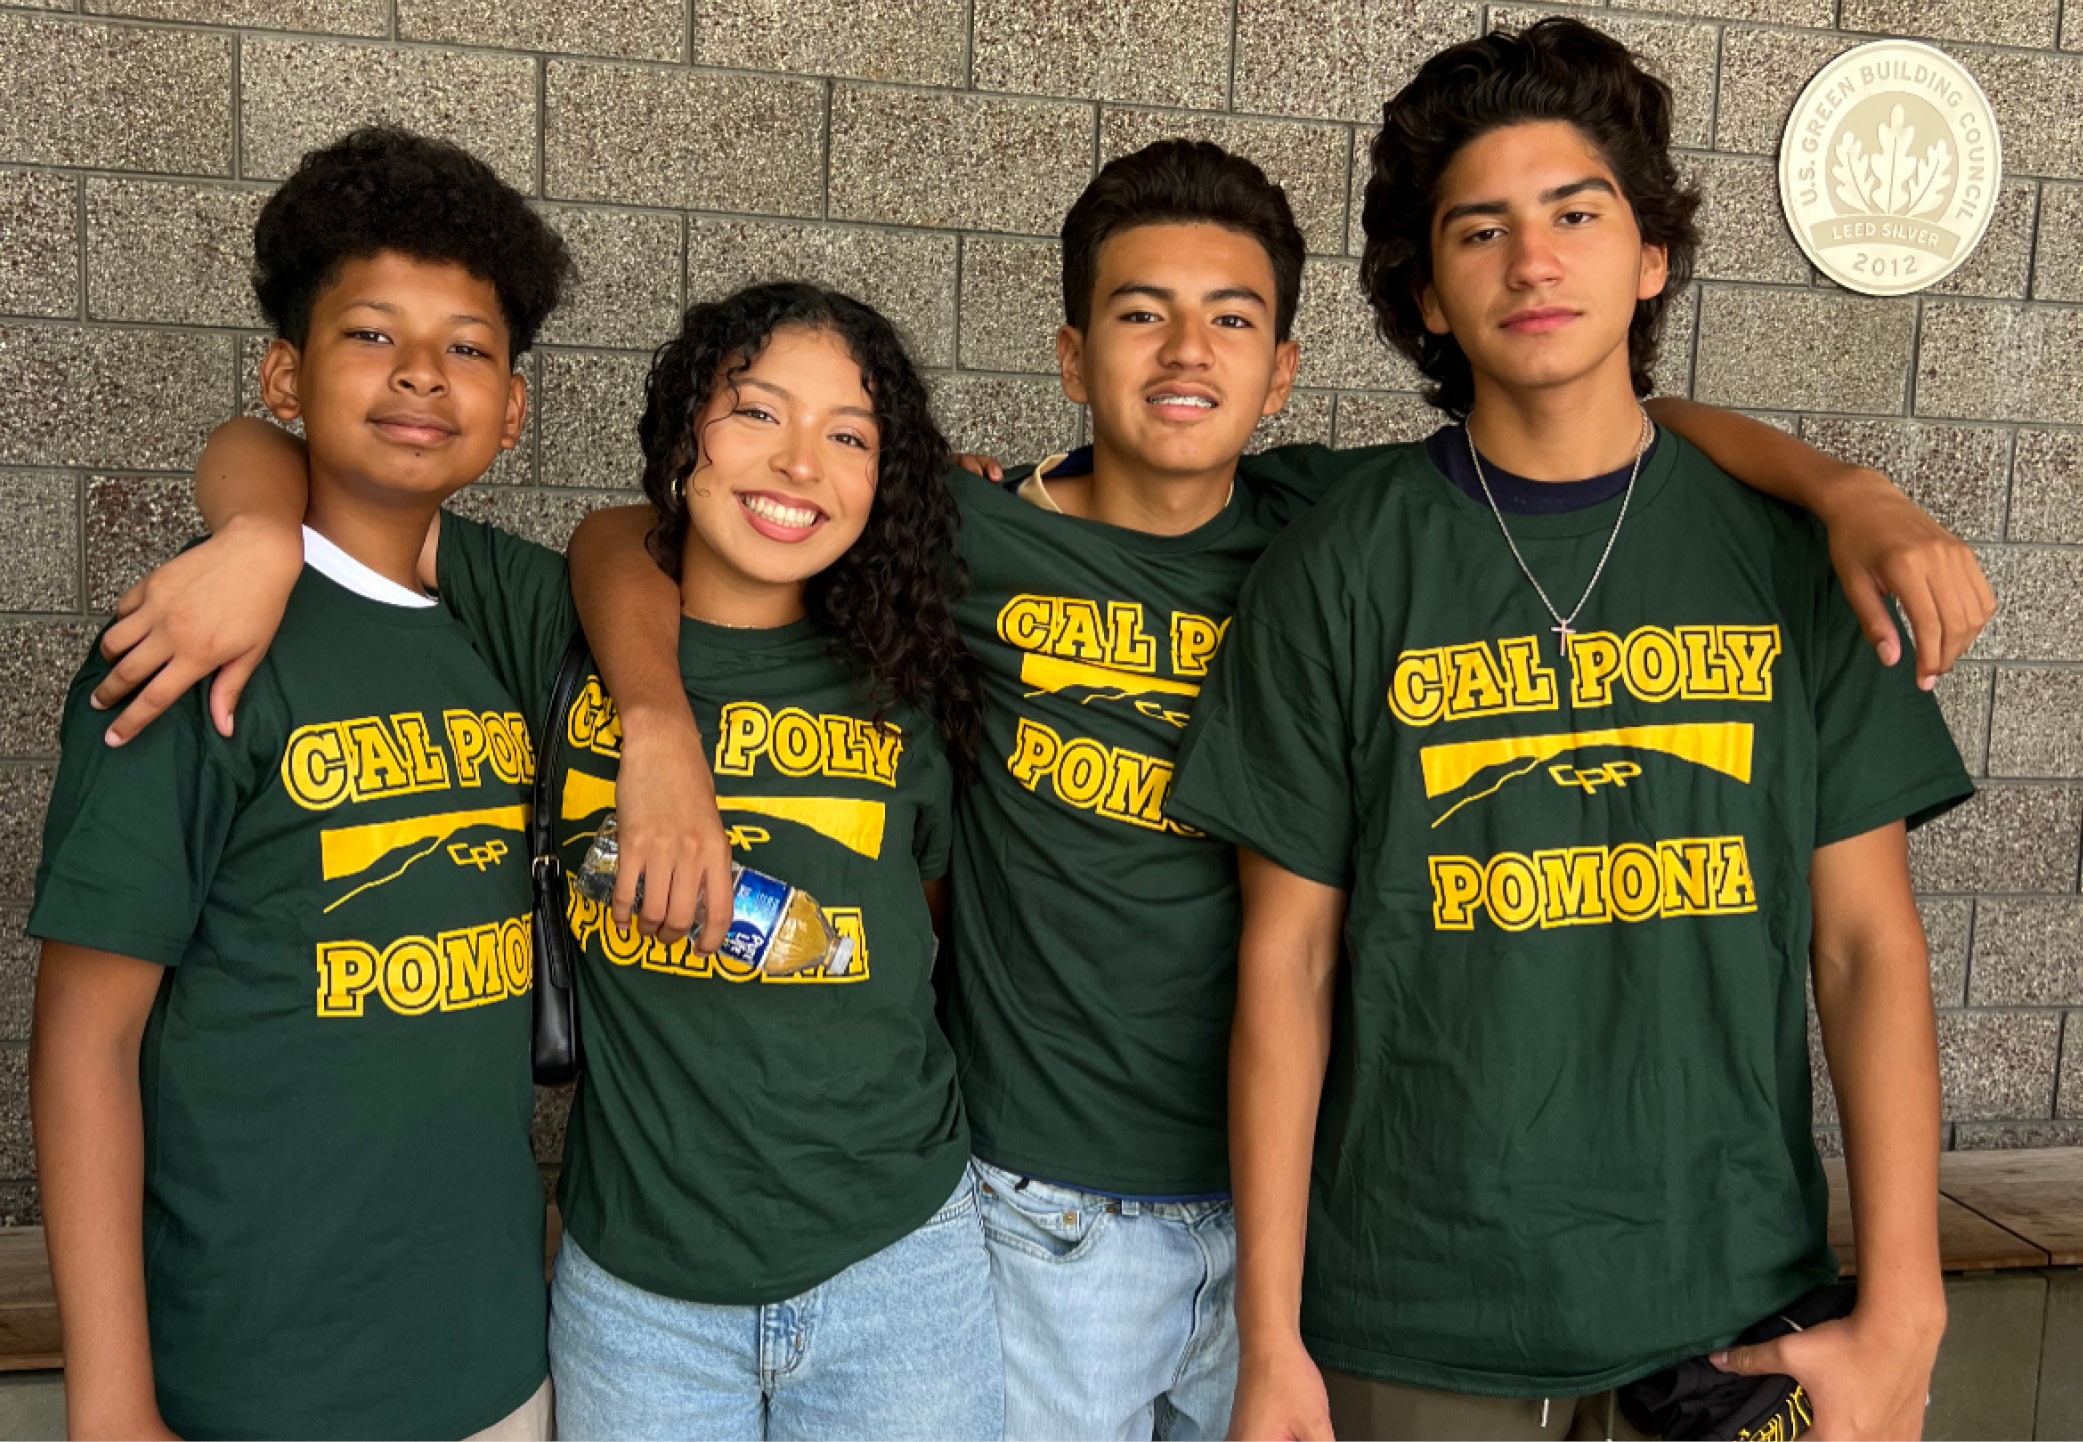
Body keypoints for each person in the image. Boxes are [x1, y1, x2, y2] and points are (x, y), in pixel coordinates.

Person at [556, 140, 1990, 1442]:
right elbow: (635, 522)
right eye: (1138, 314)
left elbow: (1608, 422)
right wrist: (656, 719)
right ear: (1068, 352)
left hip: (1299, 1212)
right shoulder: (962, 533)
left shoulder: (1337, 524)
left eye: (1230, 320)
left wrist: (1841, 486)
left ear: (1284, 371)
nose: (1185, 353)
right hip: (1045, 1206)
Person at [1167, 19, 1969, 1441]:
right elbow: (1283, 961)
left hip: (1730, 1304)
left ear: (1648, 254)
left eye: (1574, 214)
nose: (1530, 261)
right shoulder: (1340, 564)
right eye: (1476, 230)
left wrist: (1901, 1303)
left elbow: (1862, 943)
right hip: (1413, 1311)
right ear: (1422, 295)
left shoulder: (1789, 555)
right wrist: (1269, 1336)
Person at [91, 281, 1000, 1442]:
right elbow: (270, 448)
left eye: (850, 435)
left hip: (899, 1263)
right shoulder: (544, 629)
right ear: (681, 438)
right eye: (755, 412)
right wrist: (259, 536)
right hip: (641, 1296)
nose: (798, 464)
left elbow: (931, 940)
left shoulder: (904, 674)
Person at [27, 127, 570, 1439]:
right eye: (371, 335)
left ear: (512, 411)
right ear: (287, 372)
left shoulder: (505, 616)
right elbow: (84, 1036)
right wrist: (110, 1400)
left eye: (468, 348)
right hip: (256, 1369)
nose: (420, 375)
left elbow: (636, 559)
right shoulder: (186, 649)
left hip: (493, 1355)